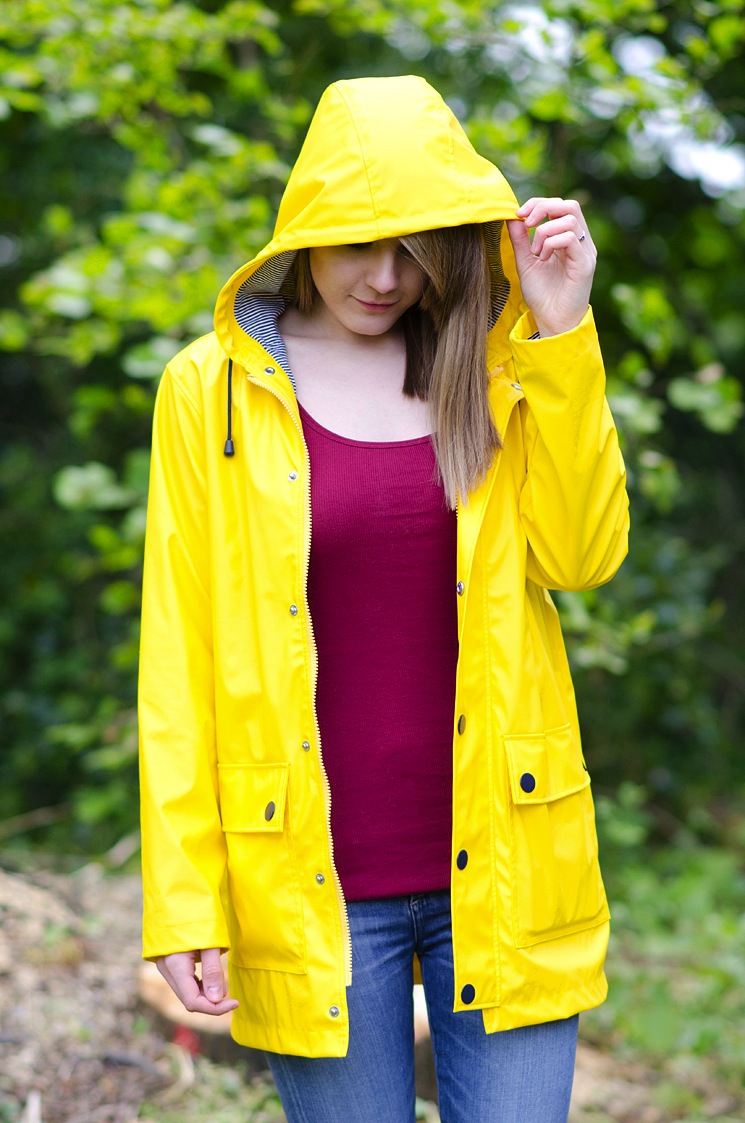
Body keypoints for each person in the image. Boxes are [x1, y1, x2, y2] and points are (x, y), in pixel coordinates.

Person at [138, 75, 629, 1123]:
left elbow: (584, 555)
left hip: (503, 864)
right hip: (309, 882)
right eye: (359, 239)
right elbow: (176, 655)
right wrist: (184, 899)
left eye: (416, 247)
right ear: (306, 227)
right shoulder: (210, 390)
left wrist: (562, 332)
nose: (385, 275)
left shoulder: (500, 369)